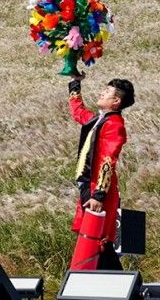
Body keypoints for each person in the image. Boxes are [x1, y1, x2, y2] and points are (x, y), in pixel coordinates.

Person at [67, 73, 135, 270]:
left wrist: (99, 194)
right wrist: (75, 84)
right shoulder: (99, 120)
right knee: (90, 238)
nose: (101, 93)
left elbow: (108, 160)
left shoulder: (114, 125)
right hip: (90, 186)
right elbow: (78, 113)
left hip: (100, 190)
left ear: (116, 101)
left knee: (99, 241)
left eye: (106, 92)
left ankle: (115, 284)